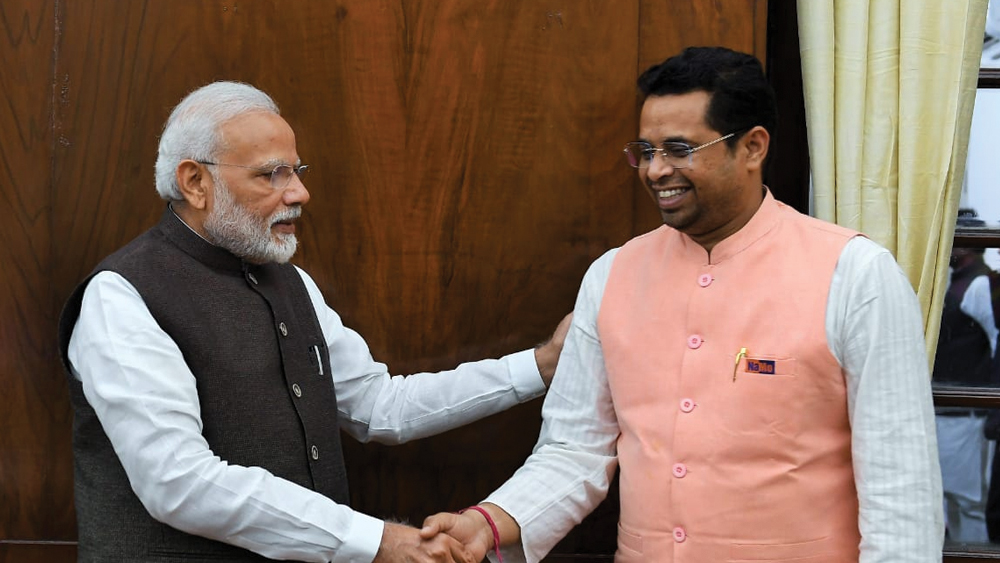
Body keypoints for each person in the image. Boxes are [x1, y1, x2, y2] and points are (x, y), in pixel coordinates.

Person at [421, 46, 943, 562]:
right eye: (645, 152)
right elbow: (575, 448)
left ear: (752, 147)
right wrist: (488, 522)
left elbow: (900, 490)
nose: (655, 171)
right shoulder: (613, 275)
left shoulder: (856, 275)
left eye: (678, 149)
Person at [57, 81, 570, 563]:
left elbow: (378, 405)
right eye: (271, 174)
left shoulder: (291, 282)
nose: (299, 193)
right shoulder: (121, 295)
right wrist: (377, 542)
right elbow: (177, 483)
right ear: (195, 182)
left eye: (297, 171)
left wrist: (540, 366)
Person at [932, 213, 999, 543]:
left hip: (967, 416)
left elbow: (997, 342)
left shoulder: (982, 285)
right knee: (948, 501)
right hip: (950, 411)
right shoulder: (955, 281)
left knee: (968, 503)